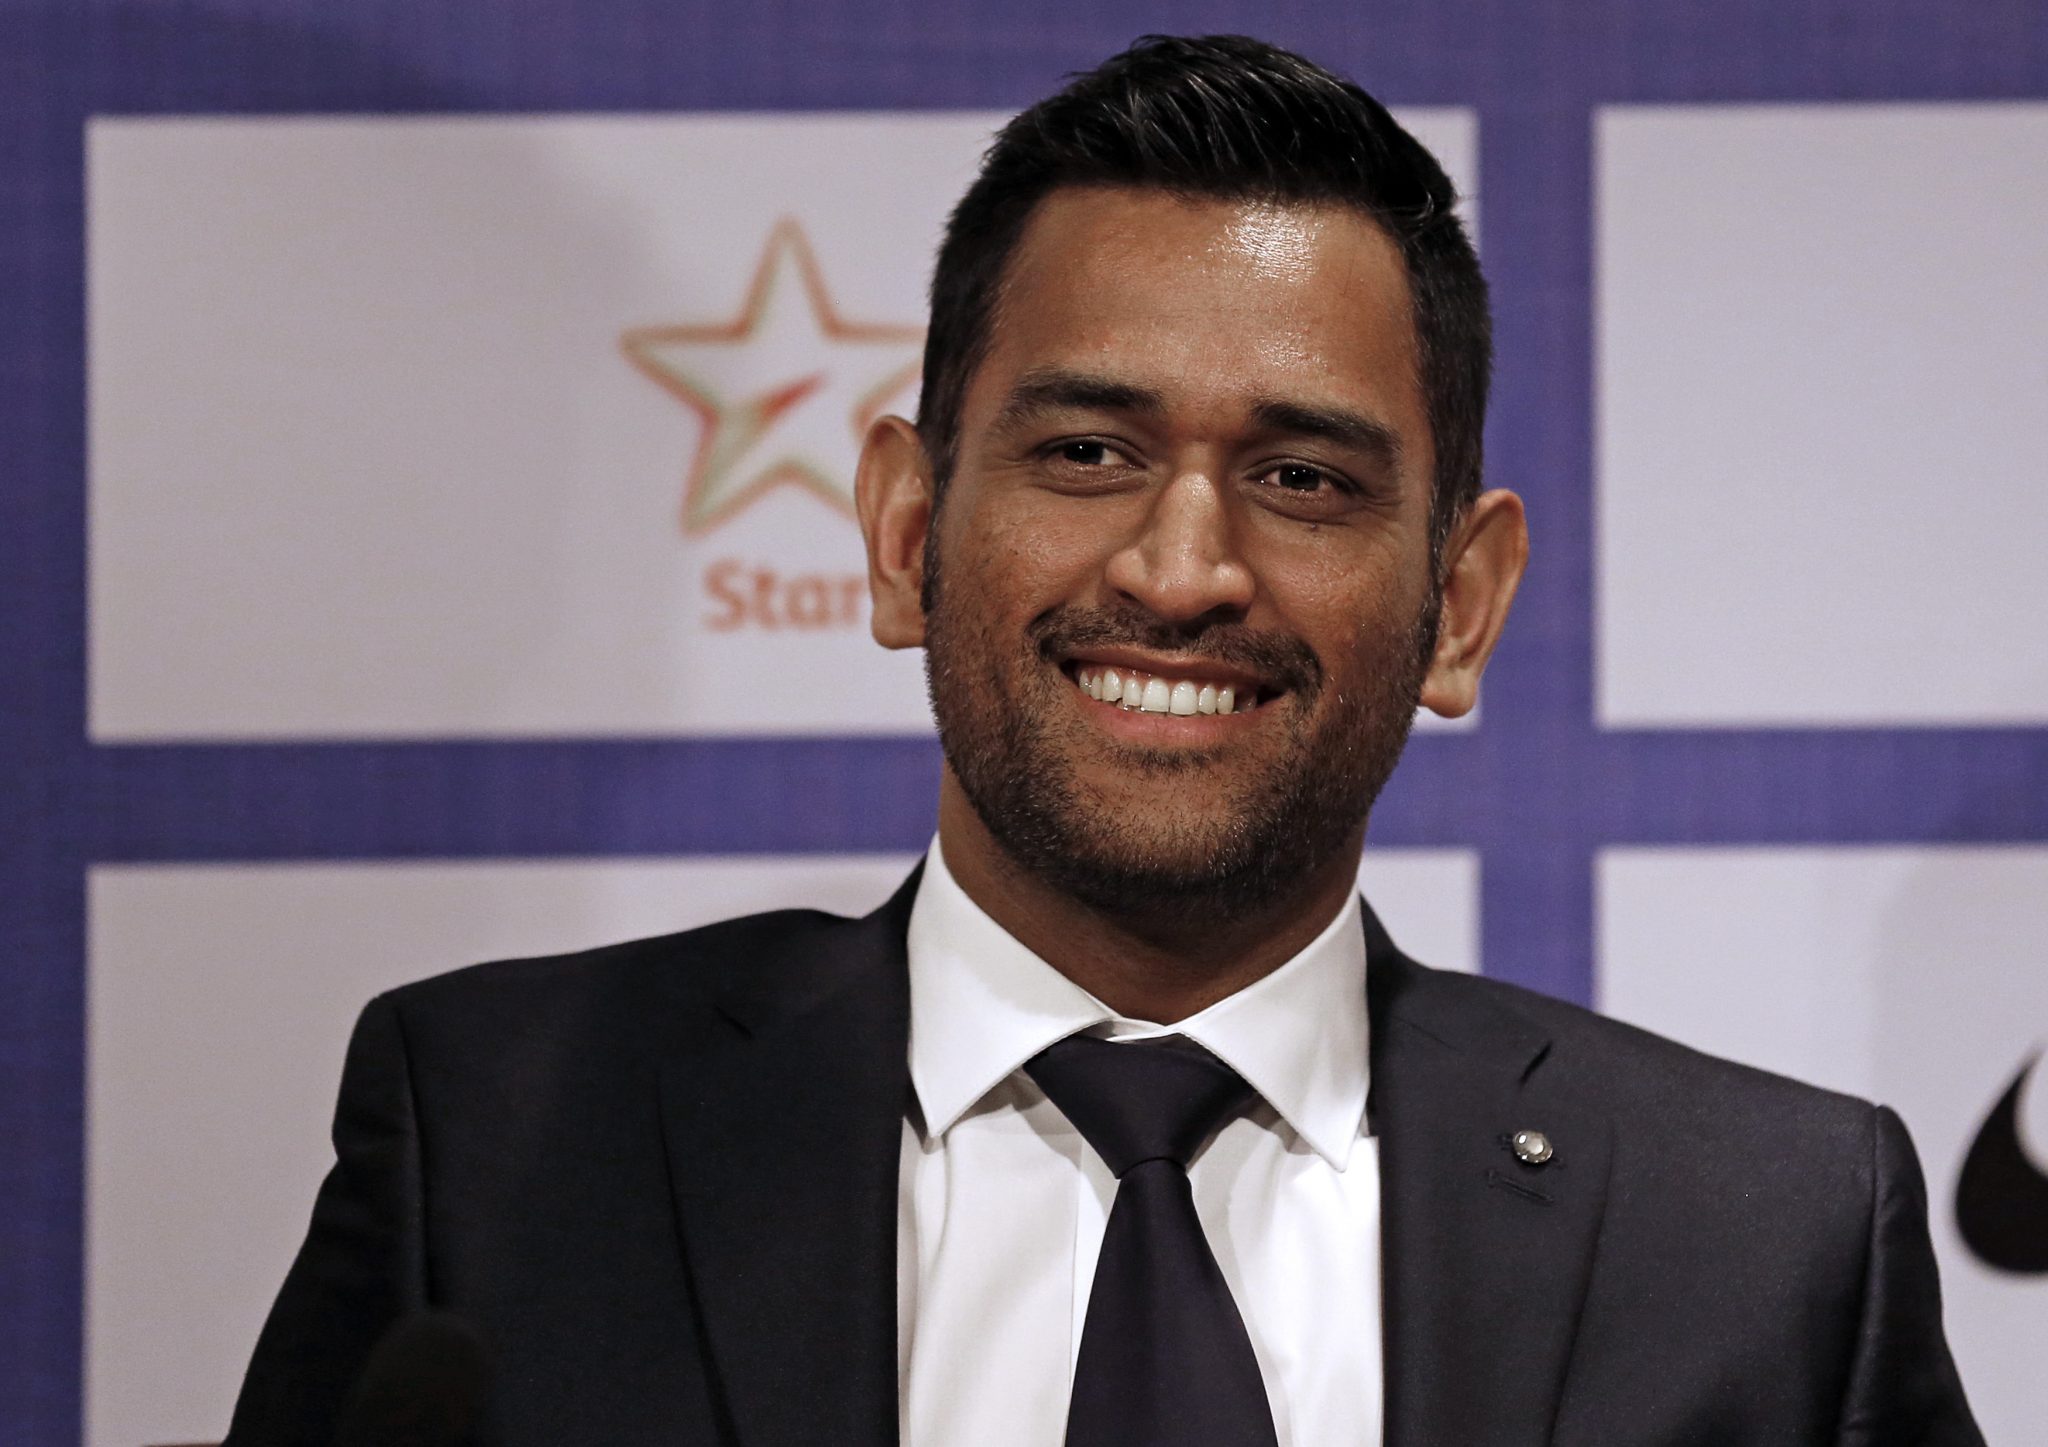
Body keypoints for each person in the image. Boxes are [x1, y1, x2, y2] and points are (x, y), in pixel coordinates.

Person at [226, 35, 1983, 1447]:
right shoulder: (502, 1141)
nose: (1180, 569)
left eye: (1302, 478)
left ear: (1460, 604)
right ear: (907, 533)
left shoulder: (1765, 1236)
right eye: (1087, 454)